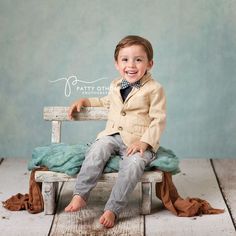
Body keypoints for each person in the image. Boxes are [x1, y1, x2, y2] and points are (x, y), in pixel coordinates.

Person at [64, 35, 166, 228]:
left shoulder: (154, 89)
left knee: (134, 164)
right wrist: (86, 101)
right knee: (97, 149)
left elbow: (158, 120)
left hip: (138, 141)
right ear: (117, 64)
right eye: (125, 59)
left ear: (150, 64)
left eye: (138, 59)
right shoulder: (115, 85)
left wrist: (144, 143)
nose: (132, 65)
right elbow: (105, 102)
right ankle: (80, 194)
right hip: (113, 136)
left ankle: (113, 208)